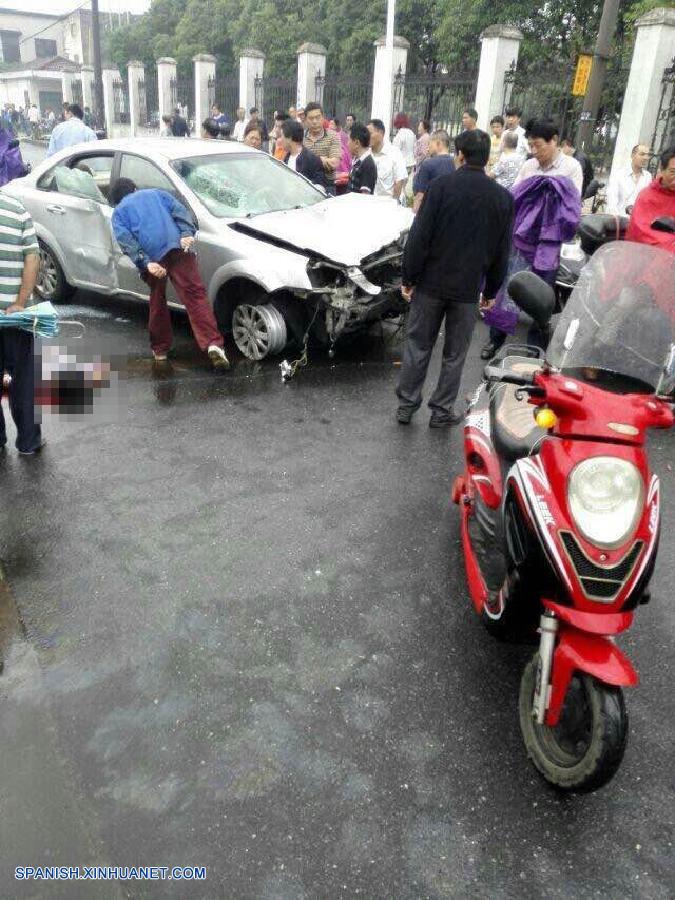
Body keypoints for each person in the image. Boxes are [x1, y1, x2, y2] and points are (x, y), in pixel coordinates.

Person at [396, 129, 513, 427]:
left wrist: (409, 276)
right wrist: (491, 290)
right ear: (486, 159)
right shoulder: (501, 198)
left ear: (459, 155)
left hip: (430, 285)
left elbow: (420, 236)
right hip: (467, 289)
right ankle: (441, 411)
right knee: (454, 354)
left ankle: (407, 406)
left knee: (418, 346)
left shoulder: (440, 187)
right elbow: (502, 250)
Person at [110, 178, 230, 369]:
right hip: (178, 248)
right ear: (134, 188)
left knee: (157, 300)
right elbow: (180, 211)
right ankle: (213, 344)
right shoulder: (157, 193)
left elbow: (126, 240)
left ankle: (160, 350)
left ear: (116, 198)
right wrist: (186, 233)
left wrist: (145, 262)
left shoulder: (118, 213)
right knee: (195, 296)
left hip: (153, 258)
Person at [0, 193, 43, 454]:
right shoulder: (16, 209)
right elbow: (32, 258)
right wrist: (21, 300)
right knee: (24, 378)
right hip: (15, 315)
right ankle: (29, 441)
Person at [513, 119, 583, 196]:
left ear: (554, 139)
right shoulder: (528, 166)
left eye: (538, 145)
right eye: (531, 146)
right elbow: (515, 195)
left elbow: (571, 202)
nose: (534, 151)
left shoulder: (571, 167)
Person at [626, 146, 675, 252]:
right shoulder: (647, 197)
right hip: (649, 260)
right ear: (662, 169)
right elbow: (641, 233)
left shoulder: (647, 176)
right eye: (673, 171)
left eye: (646, 155)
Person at [303, 102, 342, 194]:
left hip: (327, 186)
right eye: (311, 118)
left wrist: (314, 159)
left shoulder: (332, 136)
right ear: (305, 119)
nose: (315, 121)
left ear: (323, 117)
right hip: (304, 185)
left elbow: (334, 163)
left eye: (318, 117)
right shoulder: (301, 137)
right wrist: (324, 160)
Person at [412, 129, 455, 212]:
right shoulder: (456, 164)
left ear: (438, 143)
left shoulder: (428, 164)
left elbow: (420, 195)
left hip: (430, 212)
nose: (428, 147)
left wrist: (414, 215)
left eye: (430, 144)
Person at [366, 119, 408, 199]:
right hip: (370, 203)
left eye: (370, 133)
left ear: (381, 133)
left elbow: (399, 182)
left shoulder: (394, 153)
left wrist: (393, 204)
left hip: (388, 204)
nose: (367, 136)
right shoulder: (366, 154)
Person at [606, 144, 652, 216]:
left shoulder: (648, 176)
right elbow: (612, 201)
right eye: (642, 154)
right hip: (620, 220)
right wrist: (616, 220)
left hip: (639, 221)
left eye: (647, 155)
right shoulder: (618, 174)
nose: (646, 158)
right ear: (632, 155)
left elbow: (648, 201)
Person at [282, 119, 327, 189]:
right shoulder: (285, 160)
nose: (280, 139)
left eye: (282, 136)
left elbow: (320, 187)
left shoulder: (312, 159)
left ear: (289, 138)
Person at [347, 123, 378, 195]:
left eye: (349, 140)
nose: (347, 143)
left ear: (357, 143)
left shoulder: (367, 164)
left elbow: (365, 195)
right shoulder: (357, 160)